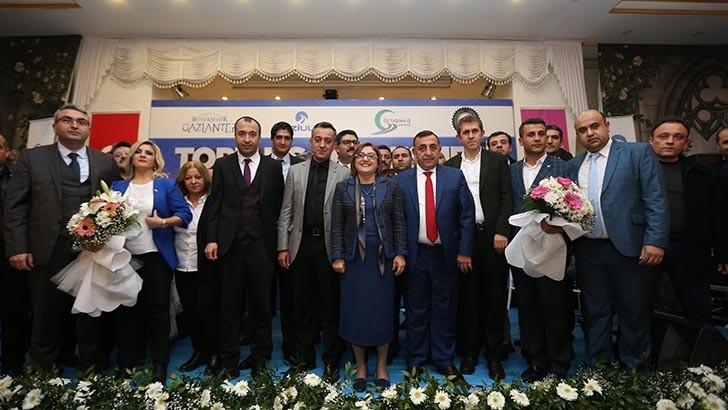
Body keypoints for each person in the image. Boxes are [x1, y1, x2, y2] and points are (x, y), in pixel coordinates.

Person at [4, 104, 120, 375]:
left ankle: (90, 375)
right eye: (67, 120)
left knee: (90, 315)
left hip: (90, 250)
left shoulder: (105, 162)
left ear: (89, 129)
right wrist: (18, 247)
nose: (74, 125)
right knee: (46, 315)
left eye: (81, 121)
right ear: (55, 126)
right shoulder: (32, 158)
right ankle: (43, 376)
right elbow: (15, 207)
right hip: (46, 249)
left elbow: (114, 206)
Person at [571, 109, 668, 371]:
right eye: (582, 130)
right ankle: (599, 372)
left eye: (594, 126)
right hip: (588, 250)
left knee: (633, 312)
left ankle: (634, 372)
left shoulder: (636, 153)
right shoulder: (575, 165)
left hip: (630, 247)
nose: (590, 133)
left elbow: (655, 198)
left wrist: (655, 240)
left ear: (607, 125)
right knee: (595, 314)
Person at [203, 116, 284, 378]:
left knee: (262, 306)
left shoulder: (273, 167)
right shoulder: (223, 165)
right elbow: (214, 204)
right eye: (242, 133)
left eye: (252, 134)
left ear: (259, 137)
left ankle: (260, 358)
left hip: (262, 246)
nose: (247, 139)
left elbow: (280, 207)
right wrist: (212, 238)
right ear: (235, 135)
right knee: (230, 306)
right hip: (230, 246)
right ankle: (229, 361)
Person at [395, 130, 475, 383]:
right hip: (415, 255)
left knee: (445, 309)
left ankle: (444, 359)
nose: (428, 152)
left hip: (445, 255)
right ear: (414, 152)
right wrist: (400, 253)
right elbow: (396, 220)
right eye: (422, 148)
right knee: (416, 310)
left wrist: (464, 251)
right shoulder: (401, 180)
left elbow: (466, 216)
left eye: (432, 147)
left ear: (440, 149)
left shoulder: (454, 176)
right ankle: (416, 361)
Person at [112, 140, 192, 382]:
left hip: (156, 257)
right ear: (132, 157)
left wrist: (163, 222)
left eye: (149, 153)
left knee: (158, 312)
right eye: (139, 151)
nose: (143, 155)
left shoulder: (166, 185)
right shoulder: (117, 186)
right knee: (126, 311)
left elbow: (184, 214)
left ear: (156, 160)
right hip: (123, 258)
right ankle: (126, 364)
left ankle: (159, 365)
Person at [330, 142, 407, 391]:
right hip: (353, 261)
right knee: (356, 314)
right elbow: (337, 224)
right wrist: (337, 256)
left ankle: (382, 365)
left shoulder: (391, 186)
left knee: (382, 313)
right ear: (354, 161)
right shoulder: (343, 188)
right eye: (361, 155)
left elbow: (399, 221)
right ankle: (361, 366)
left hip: (383, 260)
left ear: (379, 162)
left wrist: (400, 253)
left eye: (371, 156)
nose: (365, 159)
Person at [277, 121, 349, 380]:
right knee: (302, 306)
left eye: (328, 140)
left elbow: (347, 217)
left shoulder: (344, 174)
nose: (322, 144)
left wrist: (342, 252)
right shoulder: (295, 172)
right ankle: (303, 358)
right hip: (300, 246)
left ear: (334, 145)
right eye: (318, 139)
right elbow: (286, 210)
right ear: (310, 141)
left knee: (330, 306)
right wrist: (282, 246)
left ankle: (331, 360)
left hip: (330, 248)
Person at [444, 114, 512, 380]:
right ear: (458, 137)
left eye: (475, 131)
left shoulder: (498, 161)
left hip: (493, 238)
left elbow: (507, 198)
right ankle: (469, 352)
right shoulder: (450, 166)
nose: (471, 136)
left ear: (482, 133)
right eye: (466, 132)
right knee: (468, 299)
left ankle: (494, 355)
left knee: (494, 298)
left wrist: (502, 230)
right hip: (464, 239)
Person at [509, 118, 574, 382]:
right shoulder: (512, 170)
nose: (537, 138)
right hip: (521, 249)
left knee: (554, 307)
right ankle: (536, 361)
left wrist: (558, 226)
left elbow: (575, 205)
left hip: (552, 248)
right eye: (531, 134)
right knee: (527, 307)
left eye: (540, 134)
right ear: (521, 140)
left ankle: (559, 364)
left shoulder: (563, 167)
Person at [645, 117, 728, 324]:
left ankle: (700, 347)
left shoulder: (704, 174)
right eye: (663, 136)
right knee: (641, 309)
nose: (670, 141)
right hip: (646, 249)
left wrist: (722, 253)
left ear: (686, 142)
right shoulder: (635, 171)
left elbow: (718, 215)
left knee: (698, 310)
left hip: (690, 250)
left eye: (678, 137)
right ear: (651, 140)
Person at [174, 161, 219, 372]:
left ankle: (214, 353)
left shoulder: (213, 200)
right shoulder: (177, 202)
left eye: (198, 177)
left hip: (208, 266)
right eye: (188, 178)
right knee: (190, 312)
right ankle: (199, 352)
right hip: (182, 265)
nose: (193, 181)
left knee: (209, 312)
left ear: (205, 179)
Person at [267, 120, 304, 364]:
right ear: (272, 140)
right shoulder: (261, 165)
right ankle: (260, 346)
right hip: (263, 238)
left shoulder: (301, 165)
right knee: (262, 296)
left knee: (291, 296)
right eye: (279, 137)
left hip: (292, 240)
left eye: (287, 138)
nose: (283, 141)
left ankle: (292, 344)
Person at [0, 133, 31, 377]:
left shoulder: (17, 180)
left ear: (7, 152)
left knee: (15, 312)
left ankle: (12, 367)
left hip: (10, 254)